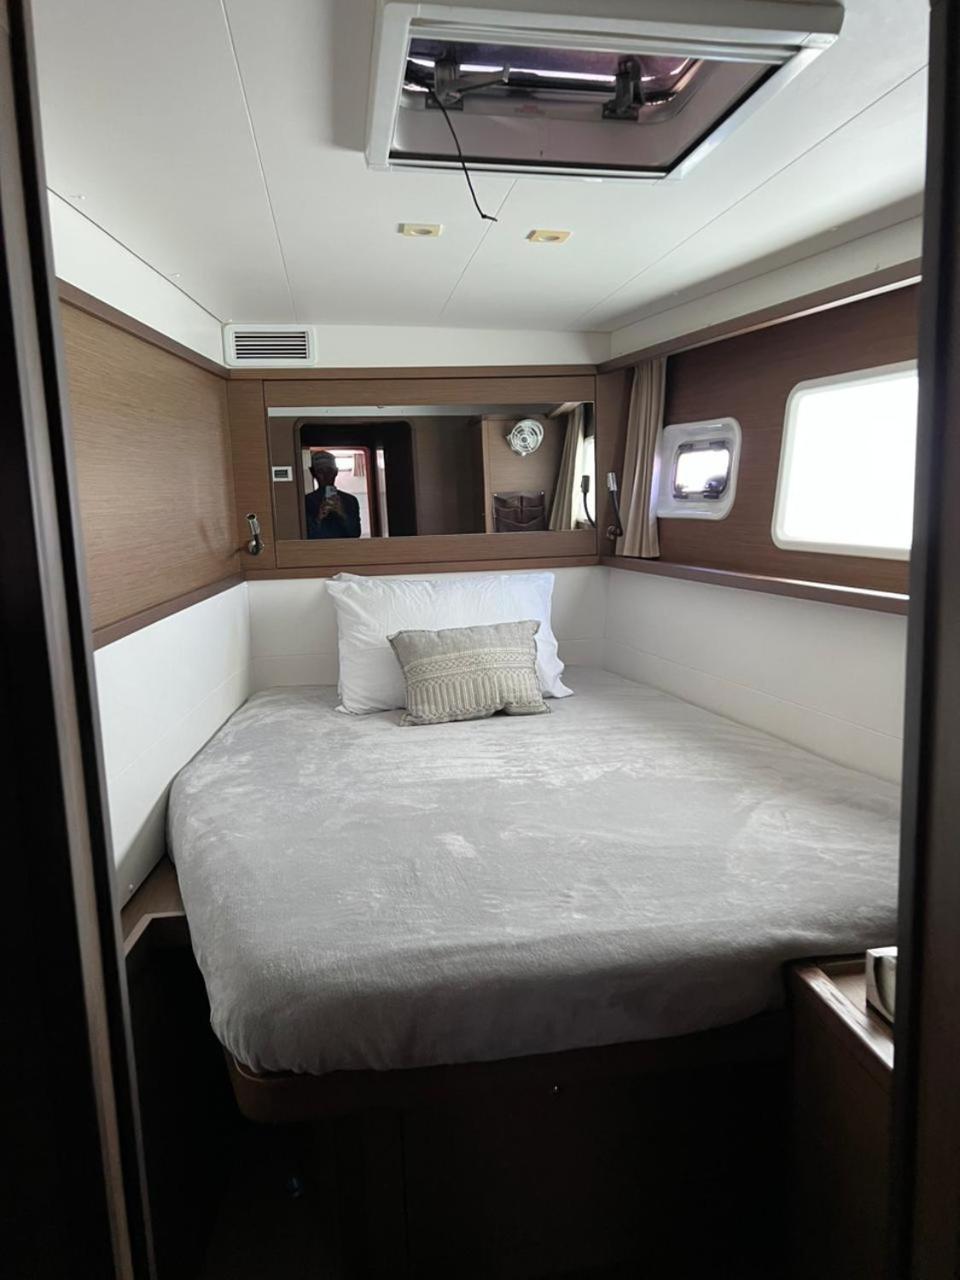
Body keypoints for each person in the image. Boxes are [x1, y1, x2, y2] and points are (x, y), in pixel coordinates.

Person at [305, 450, 361, 538]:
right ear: (313, 473)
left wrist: (343, 514)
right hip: (318, 547)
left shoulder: (350, 501)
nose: (325, 475)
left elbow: (355, 533)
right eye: (320, 471)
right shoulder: (306, 502)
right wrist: (319, 518)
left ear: (336, 472)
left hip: (344, 546)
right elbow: (306, 536)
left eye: (329, 470)